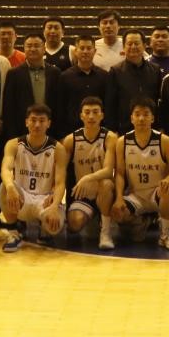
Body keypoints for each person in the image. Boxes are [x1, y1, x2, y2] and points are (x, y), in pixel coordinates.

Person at [110, 98, 169, 250]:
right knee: (117, 214)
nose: (141, 118)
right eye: (137, 114)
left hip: (157, 193)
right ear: (131, 118)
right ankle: (142, 221)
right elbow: (120, 173)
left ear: (152, 118)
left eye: (146, 114)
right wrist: (119, 197)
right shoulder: (122, 142)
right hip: (136, 195)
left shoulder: (164, 141)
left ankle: (166, 234)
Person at [0, 104, 68, 253]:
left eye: (42, 121)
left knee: (54, 227)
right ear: (26, 122)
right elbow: (5, 169)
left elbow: (60, 182)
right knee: (4, 187)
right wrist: (10, 187)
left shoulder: (58, 148)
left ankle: (44, 228)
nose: (37, 124)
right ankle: (13, 233)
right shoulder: (13, 144)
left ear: (48, 123)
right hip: (22, 197)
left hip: (44, 200)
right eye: (33, 120)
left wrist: (55, 206)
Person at [62, 96, 118, 249]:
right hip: (85, 195)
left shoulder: (110, 137)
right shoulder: (71, 140)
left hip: (105, 192)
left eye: (95, 112)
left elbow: (108, 171)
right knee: (74, 223)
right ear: (81, 116)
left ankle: (105, 232)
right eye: (87, 112)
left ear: (102, 115)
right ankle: (94, 218)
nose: (91, 116)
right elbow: (60, 171)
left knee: (106, 184)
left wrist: (87, 178)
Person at [0, 32, 64, 139]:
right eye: (29, 46)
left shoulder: (55, 73)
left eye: (36, 46)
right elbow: (9, 107)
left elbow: (60, 105)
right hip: (22, 131)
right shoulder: (14, 74)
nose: (33, 49)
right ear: (24, 49)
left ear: (44, 49)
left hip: (50, 130)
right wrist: (12, 134)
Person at [105, 29, 163, 134]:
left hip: (151, 128)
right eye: (129, 44)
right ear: (123, 47)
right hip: (124, 128)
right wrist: (113, 130)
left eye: (136, 43)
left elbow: (159, 100)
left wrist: (160, 126)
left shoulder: (155, 70)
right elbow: (110, 104)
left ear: (144, 46)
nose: (133, 47)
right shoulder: (115, 71)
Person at [59, 34, 108, 134]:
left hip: (99, 130)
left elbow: (108, 105)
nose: (85, 51)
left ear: (94, 51)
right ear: (75, 51)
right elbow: (61, 106)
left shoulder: (104, 76)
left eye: (89, 48)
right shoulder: (65, 77)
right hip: (71, 130)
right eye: (82, 48)